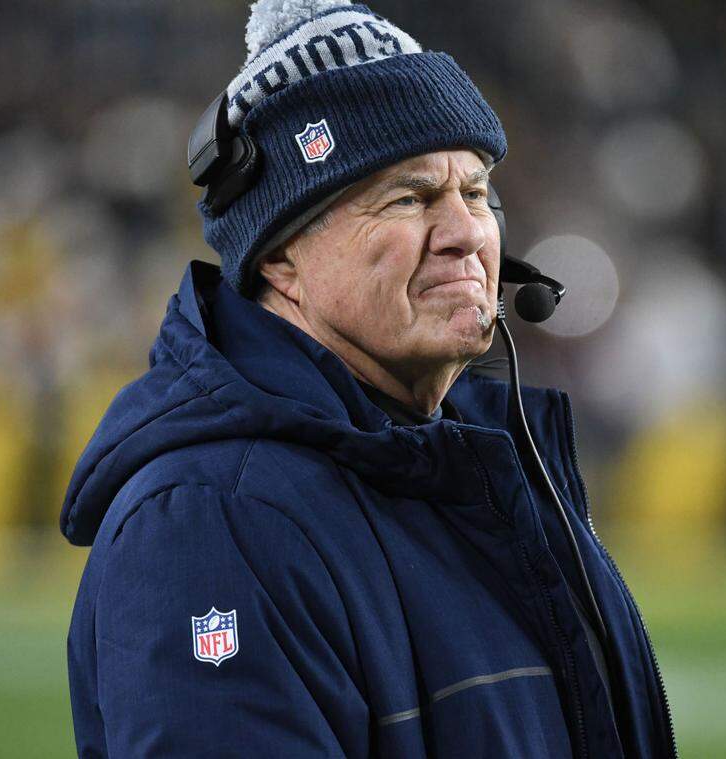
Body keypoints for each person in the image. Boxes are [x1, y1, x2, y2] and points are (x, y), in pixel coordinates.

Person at [61, 2, 677, 757]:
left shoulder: (479, 474)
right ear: (281, 256)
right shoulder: (208, 523)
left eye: (476, 193)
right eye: (409, 198)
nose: (466, 234)